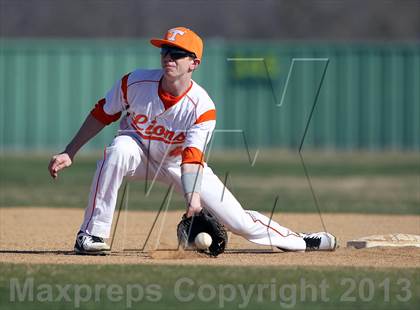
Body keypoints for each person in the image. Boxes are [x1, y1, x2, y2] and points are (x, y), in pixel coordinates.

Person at [48, 27, 336, 255]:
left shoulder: (202, 107)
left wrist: (193, 203)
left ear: (194, 63)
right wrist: (70, 151)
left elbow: (192, 158)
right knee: (118, 150)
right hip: (137, 152)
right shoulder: (134, 83)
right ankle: (92, 234)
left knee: (240, 223)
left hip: (177, 162)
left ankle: (302, 241)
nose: (168, 56)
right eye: (165, 50)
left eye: (177, 52)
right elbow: (102, 113)